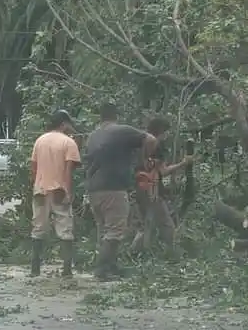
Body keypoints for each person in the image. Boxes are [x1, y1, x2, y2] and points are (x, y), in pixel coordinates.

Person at [84, 103, 158, 281]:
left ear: (100, 117)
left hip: (93, 188)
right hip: (113, 187)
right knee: (116, 231)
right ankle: (101, 271)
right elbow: (151, 140)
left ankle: (112, 267)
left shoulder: (92, 136)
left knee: (105, 231)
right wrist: (145, 158)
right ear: (116, 116)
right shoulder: (121, 130)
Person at [29, 110, 82, 277]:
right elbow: (68, 170)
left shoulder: (40, 141)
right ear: (64, 124)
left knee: (38, 228)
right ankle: (66, 270)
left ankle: (34, 270)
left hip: (40, 190)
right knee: (65, 229)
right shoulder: (69, 142)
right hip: (59, 190)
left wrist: (35, 186)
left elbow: (34, 167)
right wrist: (68, 191)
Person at [131, 116, 194, 253]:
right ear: (162, 131)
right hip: (153, 190)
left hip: (139, 187)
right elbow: (163, 171)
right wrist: (183, 163)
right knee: (166, 224)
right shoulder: (157, 146)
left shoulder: (140, 143)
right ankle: (172, 253)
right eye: (166, 131)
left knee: (145, 225)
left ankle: (135, 253)